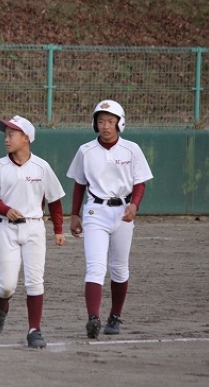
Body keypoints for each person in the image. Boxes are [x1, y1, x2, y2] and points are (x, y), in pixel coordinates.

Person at [66, 99, 153, 338]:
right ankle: (93, 318)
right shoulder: (86, 150)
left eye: (111, 121)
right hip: (96, 210)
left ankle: (115, 316)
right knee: (95, 267)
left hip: (123, 211)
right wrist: (74, 215)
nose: (105, 126)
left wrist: (135, 204)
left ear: (120, 123)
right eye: (101, 121)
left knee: (119, 268)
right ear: (95, 123)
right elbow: (79, 184)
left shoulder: (131, 149)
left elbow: (140, 183)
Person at [0, 115, 66, 349]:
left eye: (12, 134)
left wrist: (58, 230)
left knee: (35, 281)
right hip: (6, 229)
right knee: (7, 285)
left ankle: (34, 330)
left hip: (34, 228)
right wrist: (6, 210)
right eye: (6, 134)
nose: (7, 139)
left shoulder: (42, 167)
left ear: (26, 138)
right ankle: (1, 308)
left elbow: (54, 200)